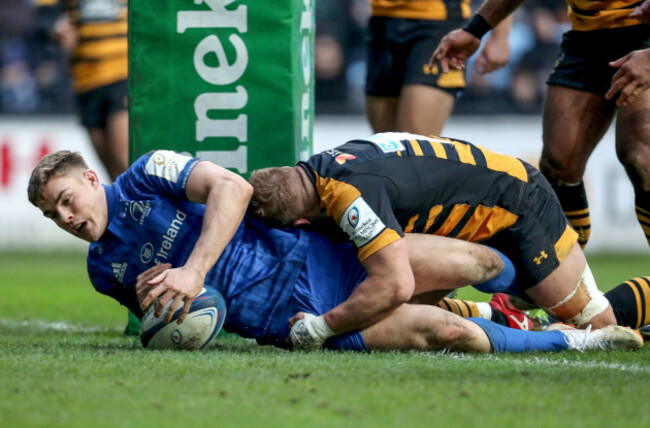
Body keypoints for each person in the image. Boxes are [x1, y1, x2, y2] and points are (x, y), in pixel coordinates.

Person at [27, 149, 643, 353]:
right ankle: (578, 340)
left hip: (317, 256)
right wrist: (156, 311)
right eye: (53, 214)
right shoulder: (100, 271)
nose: (66, 216)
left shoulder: (145, 172)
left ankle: (497, 307)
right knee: (435, 332)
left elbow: (233, 187)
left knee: (481, 263)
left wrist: (192, 268)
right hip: (284, 318)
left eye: (64, 198)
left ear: (87, 180)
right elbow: (172, 325)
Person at [248, 132, 650, 347]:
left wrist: (320, 329)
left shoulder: (350, 197)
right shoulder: (325, 168)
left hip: (518, 206)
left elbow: (396, 283)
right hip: (483, 204)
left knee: (597, 322)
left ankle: (517, 312)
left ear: (300, 221)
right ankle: (503, 314)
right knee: (393, 310)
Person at [431, 0, 650, 249]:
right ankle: (569, 279)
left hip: (644, 32)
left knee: (642, 156)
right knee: (559, 166)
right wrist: (474, 30)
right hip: (587, 35)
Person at [36, 0, 136, 334]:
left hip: (123, 72)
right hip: (86, 79)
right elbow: (45, 16)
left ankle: (142, 229)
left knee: (124, 161)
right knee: (109, 167)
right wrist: (55, 31)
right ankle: (124, 238)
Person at [364, 0, 512, 136]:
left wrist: (500, 35)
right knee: (383, 149)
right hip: (381, 21)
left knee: (414, 147)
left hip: (438, 22)